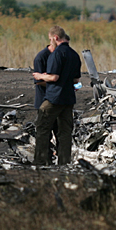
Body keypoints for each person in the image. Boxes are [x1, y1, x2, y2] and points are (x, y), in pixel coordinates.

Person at [32, 26, 82, 166]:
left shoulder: (57, 54)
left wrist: (39, 75)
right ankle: (64, 162)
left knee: (42, 127)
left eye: (50, 39)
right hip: (69, 98)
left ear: (55, 37)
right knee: (65, 132)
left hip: (54, 98)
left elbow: (53, 77)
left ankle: (41, 161)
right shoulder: (74, 54)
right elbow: (76, 80)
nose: (50, 42)